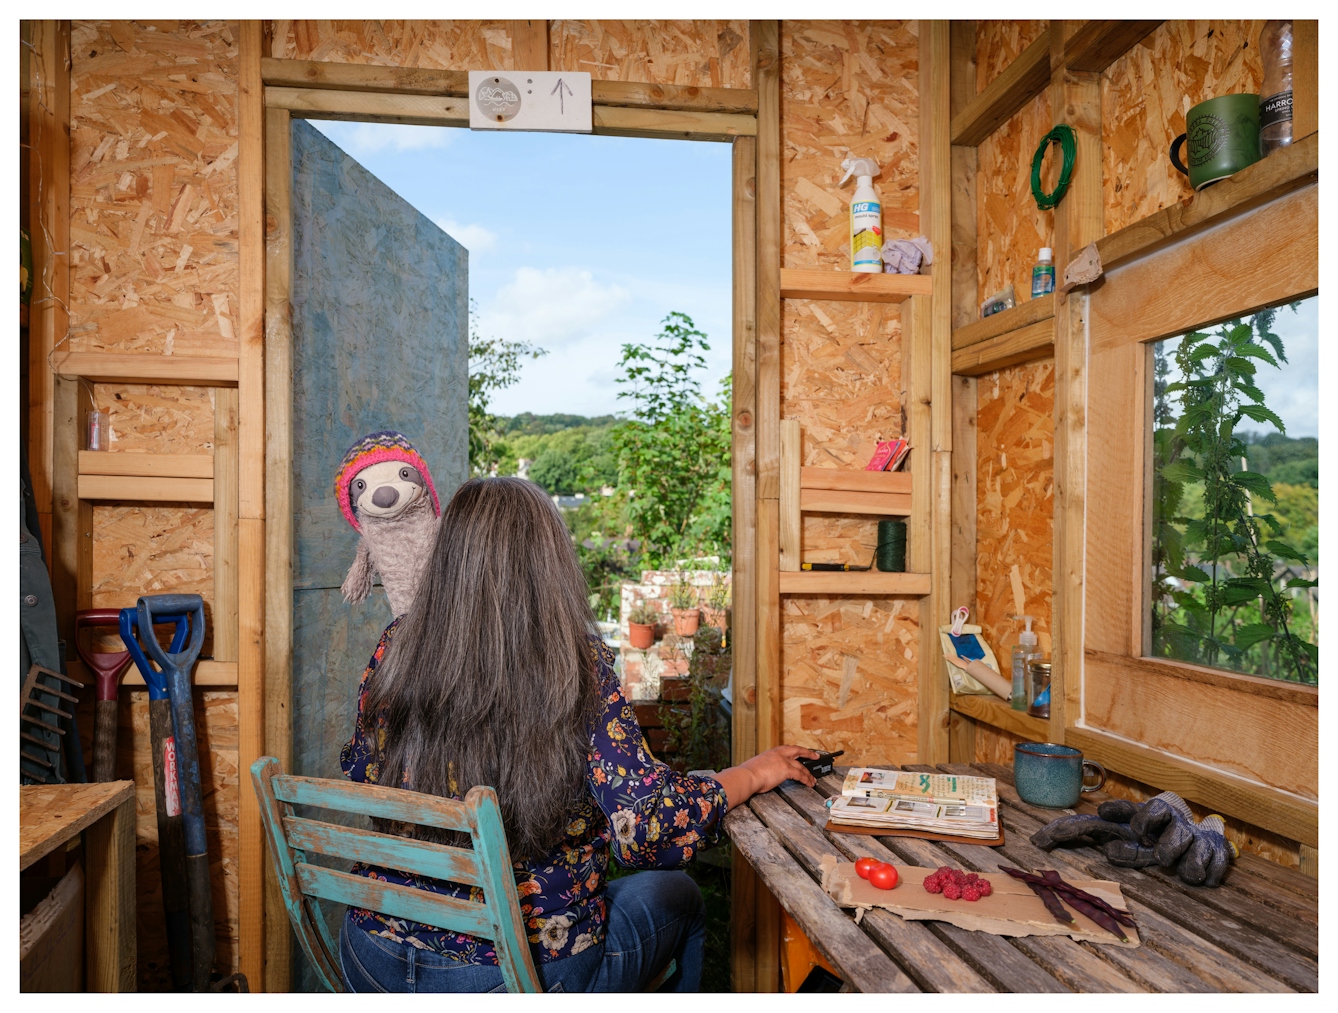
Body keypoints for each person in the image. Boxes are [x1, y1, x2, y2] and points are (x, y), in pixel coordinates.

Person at [338, 476, 818, 992]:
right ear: (551, 563)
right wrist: (751, 773)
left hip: (370, 957)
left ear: (448, 555)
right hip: (508, 980)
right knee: (680, 896)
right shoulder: (576, 665)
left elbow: (361, 767)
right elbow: (647, 829)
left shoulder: (397, 645)